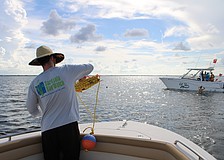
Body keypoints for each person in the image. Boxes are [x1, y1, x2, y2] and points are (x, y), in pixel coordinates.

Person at [26, 45, 94, 160]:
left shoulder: (35, 83)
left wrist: (45, 114)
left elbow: (31, 110)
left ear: (40, 63)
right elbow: (90, 67)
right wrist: (79, 76)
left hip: (48, 130)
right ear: (53, 58)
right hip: (68, 127)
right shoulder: (66, 70)